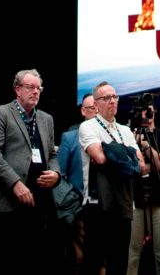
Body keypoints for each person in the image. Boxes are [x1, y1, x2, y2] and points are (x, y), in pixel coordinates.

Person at [0, 68, 61, 274]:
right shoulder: (1, 113)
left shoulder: (46, 118)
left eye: (39, 88)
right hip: (6, 201)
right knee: (6, 261)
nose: (36, 92)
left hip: (38, 200)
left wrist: (56, 174)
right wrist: (15, 184)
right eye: (30, 87)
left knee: (33, 260)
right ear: (17, 89)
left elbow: (51, 154)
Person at [78, 82, 146, 275]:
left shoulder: (125, 130)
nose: (112, 101)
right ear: (96, 104)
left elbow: (140, 164)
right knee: (93, 261)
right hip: (97, 203)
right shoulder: (88, 126)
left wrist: (112, 150)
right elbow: (99, 157)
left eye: (114, 97)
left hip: (123, 203)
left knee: (120, 262)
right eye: (106, 98)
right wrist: (127, 154)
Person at [126, 103, 160, 275]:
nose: (146, 115)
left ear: (155, 112)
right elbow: (130, 167)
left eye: (149, 111)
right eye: (143, 112)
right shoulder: (128, 136)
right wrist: (149, 165)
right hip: (134, 200)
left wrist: (146, 146)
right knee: (130, 256)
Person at [58, 94, 98, 273]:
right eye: (91, 108)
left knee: (103, 258)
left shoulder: (113, 136)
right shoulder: (70, 137)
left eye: (98, 108)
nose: (96, 112)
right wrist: (68, 203)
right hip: (79, 206)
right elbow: (60, 173)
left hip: (106, 207)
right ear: (83, 111)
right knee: (79, 259)